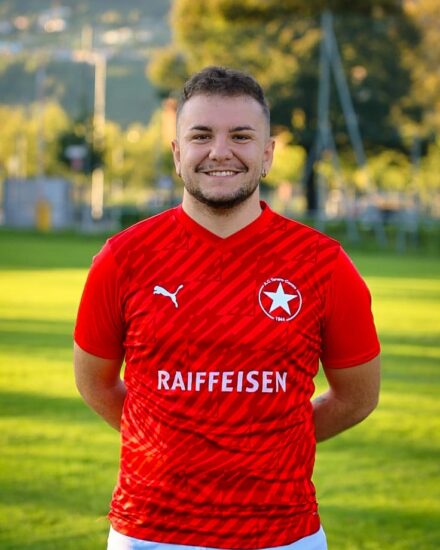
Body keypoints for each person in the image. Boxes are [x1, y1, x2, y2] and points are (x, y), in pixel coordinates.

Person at [74, 66, 380, 550]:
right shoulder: (123, 259)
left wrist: (271, 443)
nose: (220, 151)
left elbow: (357, 397)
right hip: (149, 533)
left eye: (241, 136)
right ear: (178, 153)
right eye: (201, 136)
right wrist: (168, 441)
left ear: (267, 153)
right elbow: (95, 382)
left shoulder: (323, 264)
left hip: (282, 534)